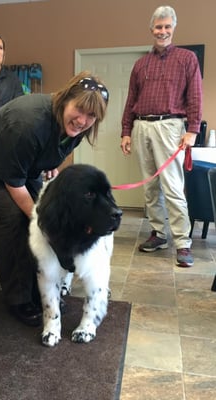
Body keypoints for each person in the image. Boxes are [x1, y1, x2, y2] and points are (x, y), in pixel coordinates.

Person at [0, 71, 109, 326]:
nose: (83, 120)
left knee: (45, 214)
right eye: (80, 110)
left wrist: (50, 163)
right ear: (66, 99)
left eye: (92, 116)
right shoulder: (29, 122)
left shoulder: (80, 125)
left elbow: (59, 147)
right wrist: (42, 220)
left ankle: (40, 288)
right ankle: (18, 298)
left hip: (20, 164)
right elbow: (14, 182)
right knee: (16, 218)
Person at [120, 5, 202, 268]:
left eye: (167, 26)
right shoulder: (140, 64)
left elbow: (195, 97)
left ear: (173, 28)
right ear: (151, 29)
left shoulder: (187, 58)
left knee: (173, 187)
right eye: (158, 27)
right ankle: (158, 234)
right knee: (150, 186)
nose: (162, 31)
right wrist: (126, 131)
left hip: (171, 127)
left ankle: (182, 242)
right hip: (141, 126)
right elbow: (130, 99)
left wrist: (192, 131)